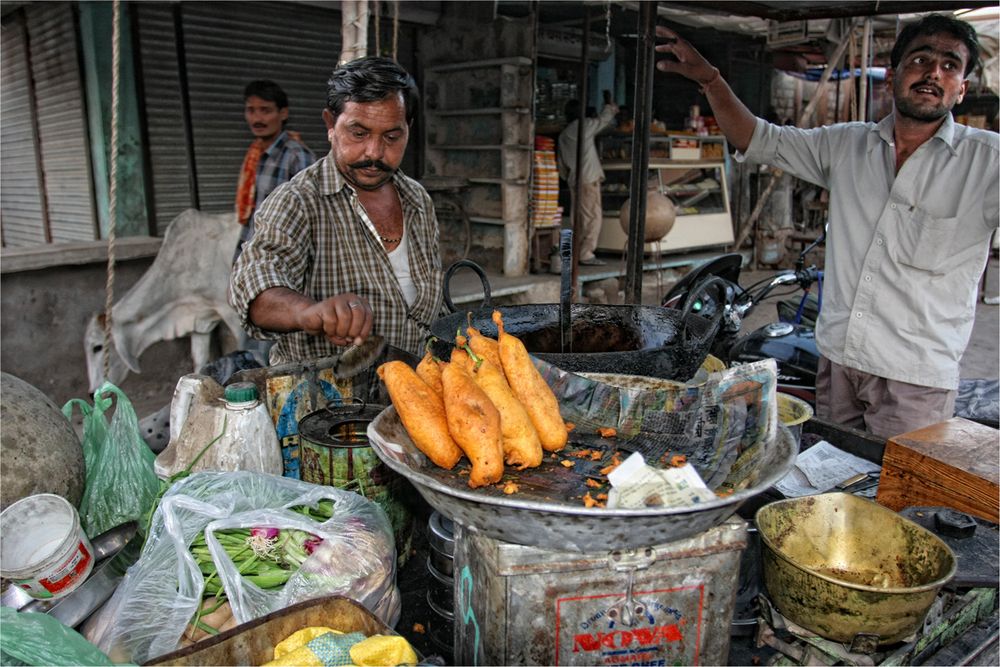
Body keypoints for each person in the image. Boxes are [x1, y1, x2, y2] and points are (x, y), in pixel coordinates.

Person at [656, 15, 998, 438]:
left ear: (961, 88)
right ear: (893, 73)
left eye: (950, 66)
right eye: (921, 59)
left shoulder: (988, 163)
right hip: (837, 364)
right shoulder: (847, 145)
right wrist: (710, 80)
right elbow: (758, 138)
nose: (933, 73)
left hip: (914, 379)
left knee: (896, 499)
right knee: (831, 480)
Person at [229, 57, 442, 366]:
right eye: (359, 133)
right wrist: (309, 313)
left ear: (408, 129)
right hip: (326, 401)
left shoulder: (417, 199)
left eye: (392, 137)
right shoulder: (298, 200)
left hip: (413, 391)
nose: (374, 152)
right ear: (330, 124)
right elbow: (255, 282)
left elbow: (428, 307)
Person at [234, 80, 315, 260]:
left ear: (283, 113)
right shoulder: (255, 155)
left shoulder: (297, 155)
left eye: (265, 110)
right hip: (254, 253)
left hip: (281, 258)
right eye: (251, 110)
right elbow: (253, 216)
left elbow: (313, 218)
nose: (257, 119)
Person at [558, 96, 619, 266]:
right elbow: (603, 120)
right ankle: (585, 253)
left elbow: (561, 165)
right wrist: (610, 108)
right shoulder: (583, 126)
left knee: (577, 218)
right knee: (592, 217)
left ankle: (575, 251)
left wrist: (569, 177)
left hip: (574, 180)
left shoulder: (564, 134)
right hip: (588, 180)